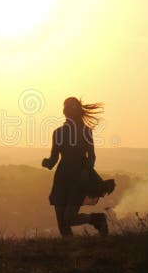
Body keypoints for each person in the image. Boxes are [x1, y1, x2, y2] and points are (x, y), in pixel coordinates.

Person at [42, 97, 108, 237]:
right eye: (66, 107)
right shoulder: (58, 132)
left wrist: (86, 171)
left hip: (79, 179)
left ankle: (97, 219)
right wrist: (47, 162)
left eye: (70, 108)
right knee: (62, 222)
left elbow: (91, 156)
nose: (67, 110)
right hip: (63, 177)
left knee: (68, 218)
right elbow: (54, 159)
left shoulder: (85, 131)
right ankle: (70, 252)